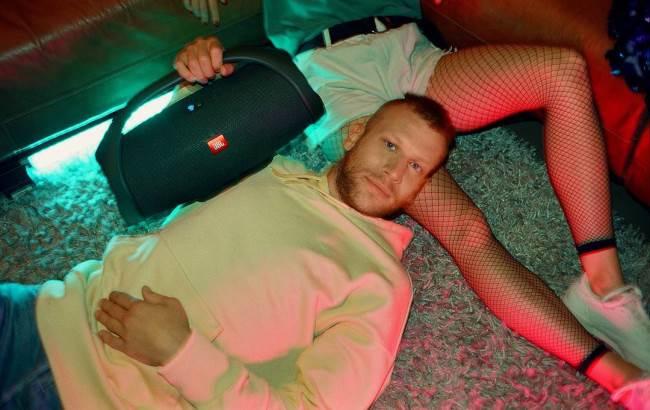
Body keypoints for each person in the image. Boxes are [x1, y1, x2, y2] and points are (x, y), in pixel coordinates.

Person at [176, 0, 650, 407]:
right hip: (333, 72)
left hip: (410, 49)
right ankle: (618, 377)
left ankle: (604, 288)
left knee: (561, 70)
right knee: (466, 229)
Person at [2, 96, 454, 408]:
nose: (393, 171)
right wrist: (197, 88)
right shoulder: (274, 169)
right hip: (47, 310)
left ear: (422, 186)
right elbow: (166, 160)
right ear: (355, 134)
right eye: (390, 145)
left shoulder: (382, 284)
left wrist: (182, 353)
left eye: (415, 166)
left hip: (101, 398)